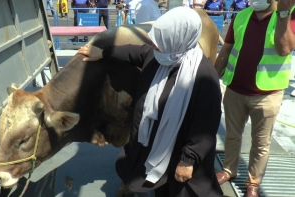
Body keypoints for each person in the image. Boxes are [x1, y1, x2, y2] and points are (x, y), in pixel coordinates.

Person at [78, 7, 223, 197]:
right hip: (155, 148)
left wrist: (188, 161)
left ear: (178, 40)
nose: (155, 47)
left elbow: (205, 125)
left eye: (160, 43)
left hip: (179, 155)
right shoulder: (159, 57)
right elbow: (134, 52)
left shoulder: (204, 76)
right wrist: (103, 53)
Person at [214, 0, 295, 196]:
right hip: (235, 88)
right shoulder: (241, 16)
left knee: (261, 143)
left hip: (267, 94)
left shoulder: (289, 14)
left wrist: (283, 15)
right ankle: (228, 170)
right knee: (232, 135)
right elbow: (226, 49)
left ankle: (253, 182)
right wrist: (212, 77)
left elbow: (284, 49)